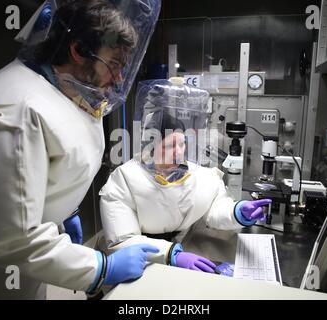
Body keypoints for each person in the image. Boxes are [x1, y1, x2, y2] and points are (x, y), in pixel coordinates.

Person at [0, 0, 161, 299]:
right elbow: (14, 241)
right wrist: (101, 269)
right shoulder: (13, 111)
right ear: (79, 51)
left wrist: (62, 208)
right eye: (115, 64)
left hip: (26, 271)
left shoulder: (64, 92)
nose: (120, 79)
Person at [99, 79, 272, 273]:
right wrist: (170, 254)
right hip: (140, 264)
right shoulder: (124, 180)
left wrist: (237, 212)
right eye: (170, 146)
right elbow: (122, 239)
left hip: (183, 253)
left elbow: (213, 210)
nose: (179, 153)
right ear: (151, 145)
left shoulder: (199, 176)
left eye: (182, 145)